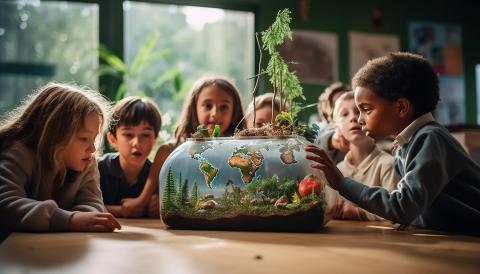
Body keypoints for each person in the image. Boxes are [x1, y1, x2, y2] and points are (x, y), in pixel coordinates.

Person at [306, 52, 480, 235]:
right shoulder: (405, 145)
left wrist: (342, 183)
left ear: (401, 108)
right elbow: (415, 211)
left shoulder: (430, 139)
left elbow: (403, 207)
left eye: (366, 109)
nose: (360, 120)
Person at [0, 82, 121, 235]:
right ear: (54, 134)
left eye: (94, 138)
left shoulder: (87, 162)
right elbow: (5, 205)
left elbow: (91, 205)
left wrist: (80, 219)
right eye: (83, 138)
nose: (93, 149)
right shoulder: (19, 154)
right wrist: (70, 220)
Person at [120, 75, 246, 216]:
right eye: (208, 106)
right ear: (194, 108)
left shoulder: (239, 155)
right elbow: (146, 202)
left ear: (234, 113)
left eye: (224, 107)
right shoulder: (170, 152)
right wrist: (151, 202)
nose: (215, 113)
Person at [332, 91, 399, 220]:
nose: (353, 118)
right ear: (336, 127)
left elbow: (398, 212)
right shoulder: (338, 170)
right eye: (344, 114)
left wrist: (359, 213)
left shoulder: (388, 164)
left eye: (359, 111)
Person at [98, 96, 162, 218]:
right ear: (113, 139)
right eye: (128, 135)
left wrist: (159, 206)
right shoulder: (97, 169)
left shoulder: (158, 174)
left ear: (154, 140)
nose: (136, 142)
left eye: (145, 135)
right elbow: (81, 205)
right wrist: (121, 211)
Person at [315, 82, 351, 163]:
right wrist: (332, 140)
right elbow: (320, 137)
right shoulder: (326, 128)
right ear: (330, 114)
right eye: (338, 105)